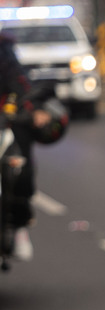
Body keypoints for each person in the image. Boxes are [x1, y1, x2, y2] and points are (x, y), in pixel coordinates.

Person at [0, 32, 54, 261]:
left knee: (19, 167)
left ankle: (20, 226)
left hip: (5, 120)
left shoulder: (3, 51)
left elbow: (20, 81)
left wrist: (34, 108)